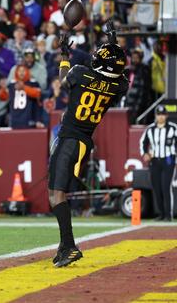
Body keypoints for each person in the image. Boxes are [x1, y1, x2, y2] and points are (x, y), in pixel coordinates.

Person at [49, 28, 129, 268]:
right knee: (54, 192)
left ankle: (69, 246)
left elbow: (62, 84)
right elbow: (120, 77)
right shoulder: (117, 87)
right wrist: (114, 47)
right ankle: (65, 245)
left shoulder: (81, 73)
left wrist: (65, 55)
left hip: (69, 138)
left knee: (56, 195)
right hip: (83, 140)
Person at [139, 105, 177, 221]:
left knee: (166, 187)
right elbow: (143, 142)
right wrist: (144, 153)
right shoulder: (150, 129)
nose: (160, 117)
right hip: (155, 160)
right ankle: (161, 214)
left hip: (169, 159)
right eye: (158, 114)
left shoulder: (173, 128)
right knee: (156, 187)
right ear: (156, 116)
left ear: (166, 115)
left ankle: (168, 215)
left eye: (162, 114)